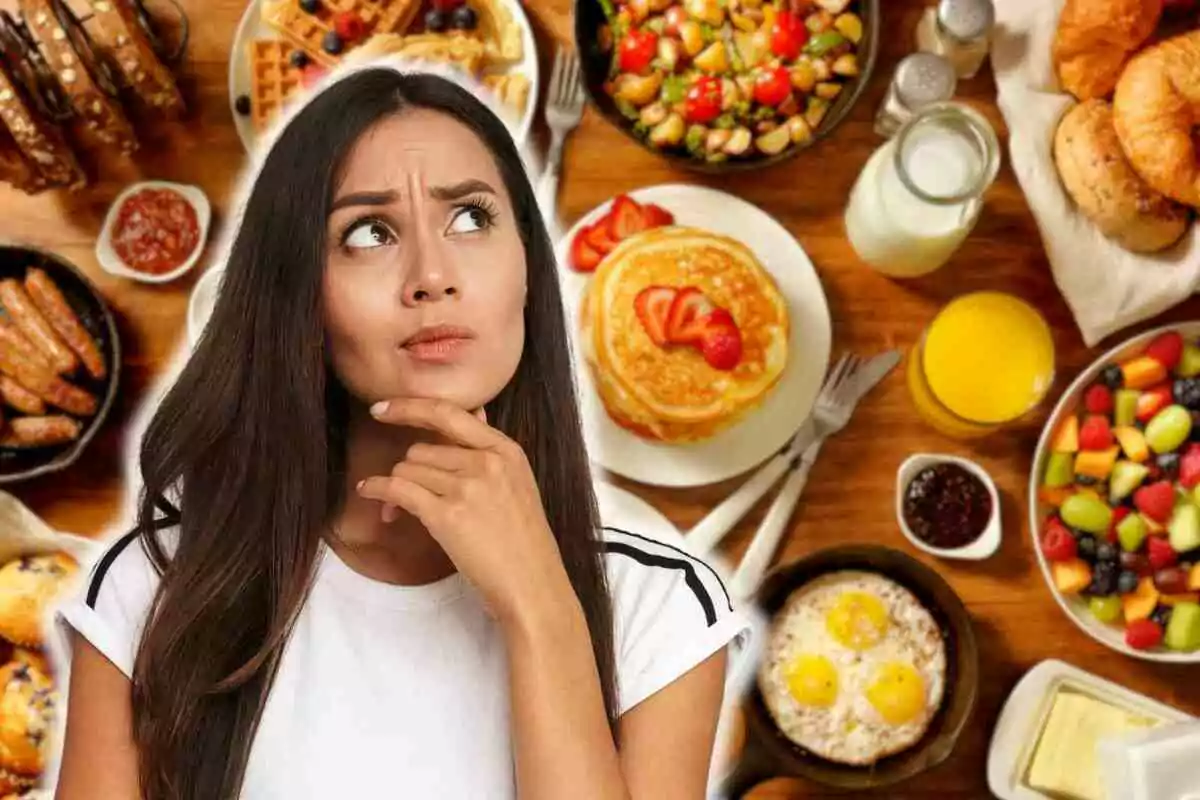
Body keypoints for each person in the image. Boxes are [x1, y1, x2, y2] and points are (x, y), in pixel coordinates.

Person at [52, 62, 746, 800]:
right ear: (298, 298)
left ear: (528, 270)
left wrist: (541, 608)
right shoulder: (161, 583)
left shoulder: (661, 610)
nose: (431, 275)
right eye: (369, 232)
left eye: (472, 218)